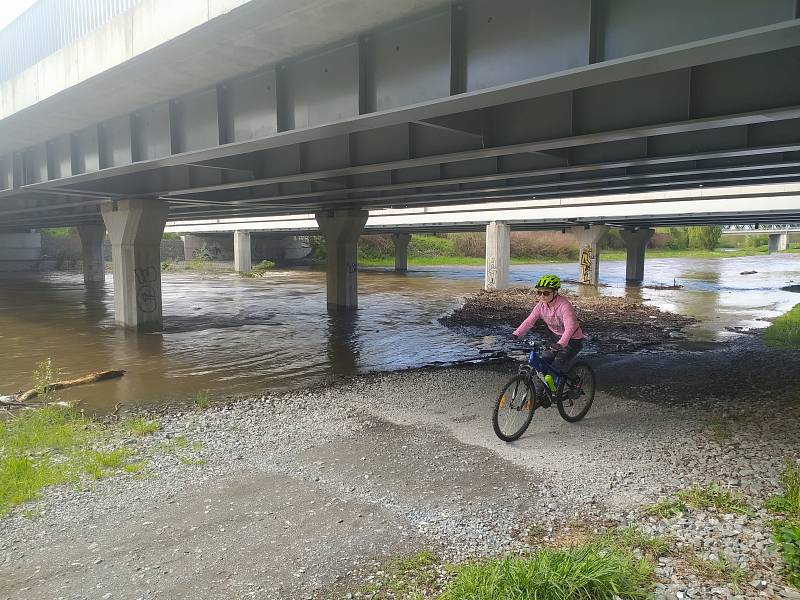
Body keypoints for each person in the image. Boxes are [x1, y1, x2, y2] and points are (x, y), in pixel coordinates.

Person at [510, 274, 584, 401]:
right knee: (543, 362)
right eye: (539, 292)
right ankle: (539, 396)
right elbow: (529, 321)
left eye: (546, 293)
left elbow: (570, 328)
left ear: (555, 292)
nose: (542, 296)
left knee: (558, 364)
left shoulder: (564, 306)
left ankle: (576, 382)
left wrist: (561, 344)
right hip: (555, 337)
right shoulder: (541, 305)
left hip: (572, 339)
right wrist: (516, 333)